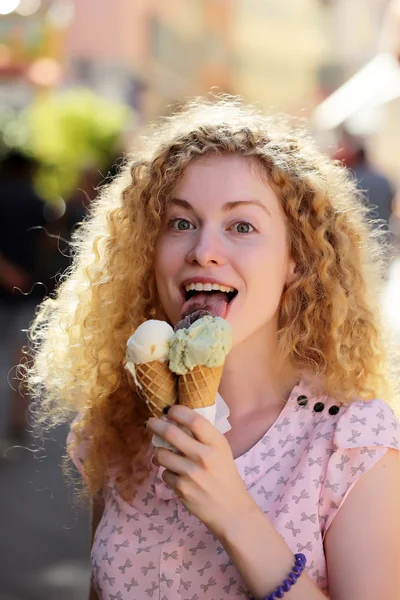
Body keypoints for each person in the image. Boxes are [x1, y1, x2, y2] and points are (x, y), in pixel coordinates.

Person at [24, 98, 400, 600]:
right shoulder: (119, 427)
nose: (203, 249)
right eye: (180, 223)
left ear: (297, 260)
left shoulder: (351, 445)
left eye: (241, 226)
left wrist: (235, 514)